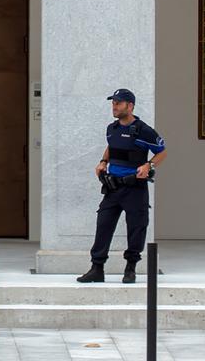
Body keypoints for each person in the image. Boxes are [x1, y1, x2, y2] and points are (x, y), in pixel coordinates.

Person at [76, 87, 166, 284]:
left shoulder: (144, 131)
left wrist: (148, 165)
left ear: (130, 105)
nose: (114, 106)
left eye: (118, 103)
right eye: (113, 103)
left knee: (136, 228)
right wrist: (103, 162)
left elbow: (162, 151)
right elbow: (112, 146)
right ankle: (97, 268)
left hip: (134, 188)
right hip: (113, 188)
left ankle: (130, 268)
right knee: (103, 225)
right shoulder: (112, 128)